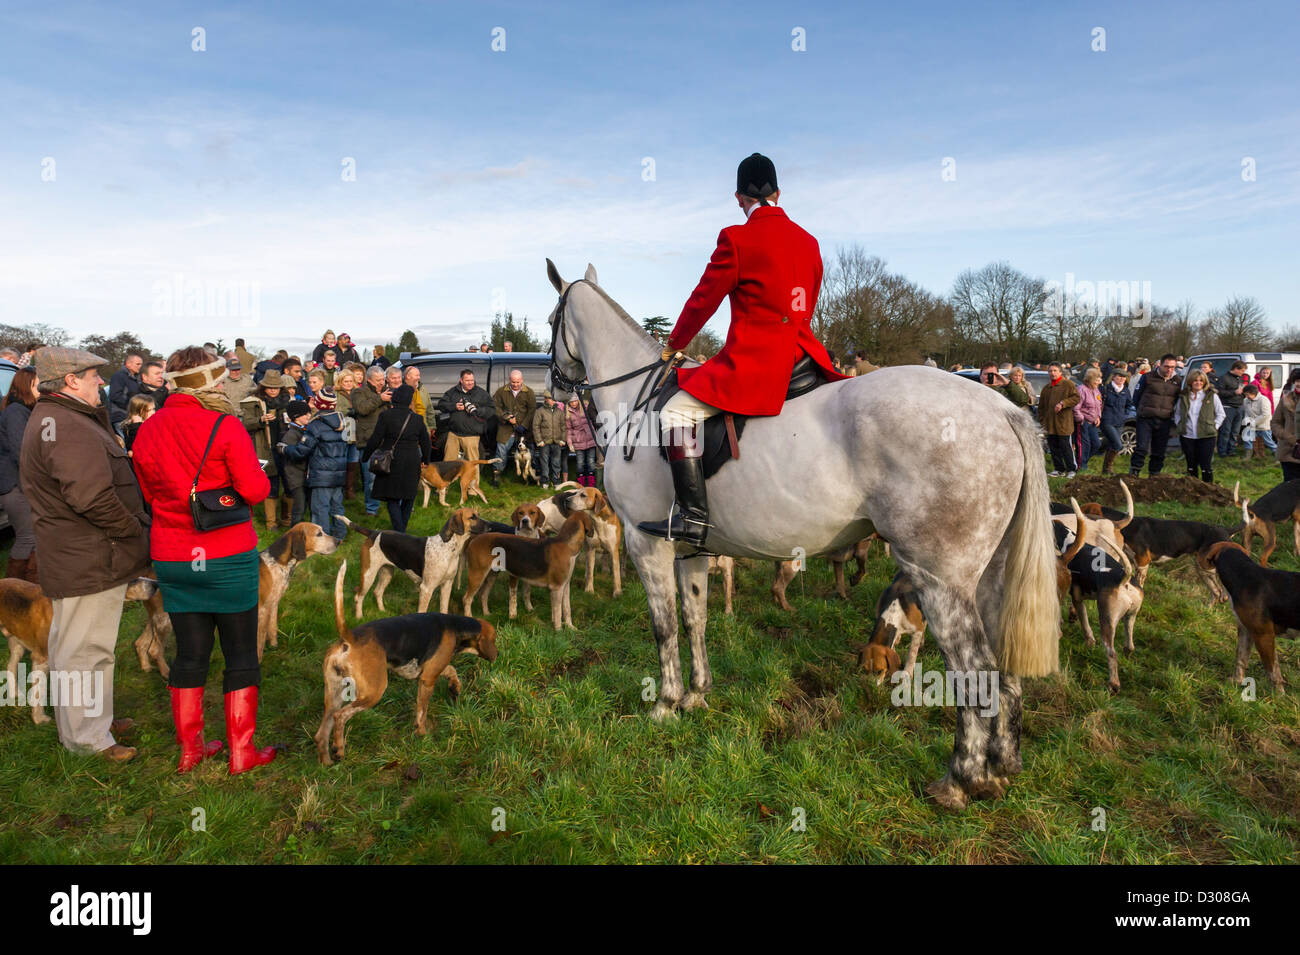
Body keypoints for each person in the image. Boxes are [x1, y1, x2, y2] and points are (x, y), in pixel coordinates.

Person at [638, 152, 847, 547]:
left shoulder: (736, 238)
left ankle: (694, 518)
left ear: (739, 199)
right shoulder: (809, 241)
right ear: (778, 193)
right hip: (804, 356)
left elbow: (704, 300)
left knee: (675, 411)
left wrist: (675, 344)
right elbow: (809, 299)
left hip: (758, 362)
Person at [132, 347, 277, 775]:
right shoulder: (225, 425)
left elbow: (148, 490)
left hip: (174, 556)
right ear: (208, 383)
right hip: (226, 553)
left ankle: (191, 750)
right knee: (240, 655)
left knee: (190, 654)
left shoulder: (147, 429)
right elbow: (255, 490)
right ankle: (241, 752)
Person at [20, 347, 150, 761]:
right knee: (85, 651)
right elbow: (92, 498)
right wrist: (133, 533)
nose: (101, 382)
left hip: (80, 555)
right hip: (88, 557)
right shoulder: (66, 425)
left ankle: (91, 720)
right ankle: (87, 741)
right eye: (94, 375)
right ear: (72, 380)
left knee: (75, 646)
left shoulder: (62, 419)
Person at [363, 384, 430, 532]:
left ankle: (399, 531)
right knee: (409, 496)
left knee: (392, 496)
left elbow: (375, 438)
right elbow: (426, 441)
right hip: (412, 460)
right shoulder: (417, 419)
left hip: (391, 460)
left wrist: (366, 456)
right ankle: (402, 531)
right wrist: (426, 459)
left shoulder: (386, 416)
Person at [283, 389, 348, 541]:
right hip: (339, 472)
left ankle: (322, 540)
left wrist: (285, 448)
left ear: (319, 404)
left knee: (320, 508)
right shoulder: (341, 422)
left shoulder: (316, 425)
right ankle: (339, 535)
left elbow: (302, 451)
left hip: (321, 473)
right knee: (337, 506)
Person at [0, 368, 40, 583]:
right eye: (38, 385)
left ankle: (28, 593)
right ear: (27, 385)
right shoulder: (16, 412)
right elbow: (21, 451)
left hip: (20, 484)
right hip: (15, 485)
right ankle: (11, 596)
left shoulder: (23, 411)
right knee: (28, 537)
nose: (41, 390)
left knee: (32, 538)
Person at [239, 368, 292, 528]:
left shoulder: (287, 401)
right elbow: (245, 423)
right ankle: (271, 522)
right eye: (270, 387)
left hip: (286, 447)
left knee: (290, 484)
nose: (273, 391)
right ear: (263, 388)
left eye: (276, 387)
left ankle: (286, 518)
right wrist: (261, 420)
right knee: (272, 485)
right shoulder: (253, 401)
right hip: (265, 448)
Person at [1129, 354, 1182, 477]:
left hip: (1164, 419)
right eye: (1166, 367)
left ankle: (1154, 474)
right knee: (1142, 447)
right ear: (1160, 365)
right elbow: (1136, 397)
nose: (1169, 370)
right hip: (1145, 418)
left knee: (1159, 450)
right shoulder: (1147, 377)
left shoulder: (1177, 381)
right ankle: (1135, 471)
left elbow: (1177, 400)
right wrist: (1142, 410)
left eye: (1172, 367)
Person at [1173, 369, 1225, 483]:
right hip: (1188, 436)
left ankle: (1208, 488)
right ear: (1190, 382)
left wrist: (1214, 426)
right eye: (1195, 380)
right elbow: (1177, 414)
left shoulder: (1211, 396)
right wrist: (1181, 425)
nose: (1198, 383)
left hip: (1206, 436)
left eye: (1201, 380)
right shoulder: (1183, 396)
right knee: (1191, 464)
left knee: (1205, 465)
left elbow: (1221, 414)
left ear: (1205, 382)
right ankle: (1193, 488)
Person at [351, 366, 389, 516]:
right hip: (368, 442)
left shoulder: (387, 390)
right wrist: (380, 399)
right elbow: (362, 408)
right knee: (371, 479)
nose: (381, 382)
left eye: (383, 379)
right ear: (369, 380)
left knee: (391, 476)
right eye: (378, 380)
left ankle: (392, 504)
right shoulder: (359, 392)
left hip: (387, 441)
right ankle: (371, 509)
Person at [491, 369, 535, 488]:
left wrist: (524, 425)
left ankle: (530, 477)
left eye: (517, 382)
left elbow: (531, 410)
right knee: (501, 452)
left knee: (528, 454)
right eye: (513, 382)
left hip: (523, 430)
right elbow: (495, 407)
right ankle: (497, 475)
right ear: (509, 380)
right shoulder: (501, 391)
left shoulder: (529, 392)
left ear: (522, 381)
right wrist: (506, 417)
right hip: (506, 428)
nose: (515, 384)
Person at [437, 368, 491, 463]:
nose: (470, 383)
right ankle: (448, 478)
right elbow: (441, 404)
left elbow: (491, 410)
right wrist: (455, 406)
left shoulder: (482, 394)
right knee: (447, 464)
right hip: (453, 434)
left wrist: (477, 409)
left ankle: (473, 478)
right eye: (467, 380)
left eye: (472, 380)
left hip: (472, 435)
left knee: (473, 464)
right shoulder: (452, 392)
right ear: (461, 380)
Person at [1038, 362, 1079, 477]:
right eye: (1050, 371)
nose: (1052, 373)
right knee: (1054, 447)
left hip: (1064, 423)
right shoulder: (1047, 388)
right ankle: (1059, 469)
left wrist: (1063, 403)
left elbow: (1076, 398)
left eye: (1055, 370)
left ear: (1060, 372)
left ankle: (1072, 469)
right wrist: (1043, 420)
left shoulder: (1068, 384)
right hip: (1050, 424)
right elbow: (1041, 407)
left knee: (1066, 447)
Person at [277, 399, 312, 526]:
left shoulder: (302, 430)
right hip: (296, 477)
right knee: (299, 508)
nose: (309, 415)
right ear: (296, 417)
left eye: (309, 412)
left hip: (302, 475)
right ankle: (295, 534)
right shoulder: (291, 434)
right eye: (305, 414)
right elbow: (294, 456)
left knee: (303, 506)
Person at [1098, 366, 1134, 474]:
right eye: (1119, 376)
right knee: (1118, 445)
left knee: (1112, 444)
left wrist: (1124, 415)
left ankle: (1106, 470)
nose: (1122, 378)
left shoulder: (1126, 391)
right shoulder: (1105, 389)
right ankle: (1098, 453)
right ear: (1113, 377)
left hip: (1119, 422)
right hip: (1107, 421)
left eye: (1124, 377)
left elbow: (1129, 404)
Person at [532, 390, 567, 489]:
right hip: (544, 442)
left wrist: (562, 440)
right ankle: (545, 481)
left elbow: (563, 427)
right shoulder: (540, 411)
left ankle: (556, 481)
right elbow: (536, 426)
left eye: (554, 399)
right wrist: (539, 441)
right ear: (546, 399)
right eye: (551, 399)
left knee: (556, 463)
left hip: (557, 442)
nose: (553, 401)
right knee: (544, 463)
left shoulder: (559, 412)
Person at [334, 368, 360, 499]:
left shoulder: (358, 393)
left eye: (351, 381)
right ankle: (339, 488)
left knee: (353, 461)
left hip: (357, 430)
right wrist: (349, 412)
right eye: (346, 381)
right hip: (344, 429)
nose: (349, 383)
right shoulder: (336, 394)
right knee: (342, 460)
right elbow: (336, 411)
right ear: (340, 382)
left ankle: (349, 488)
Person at [1215, 360, 1249, 458]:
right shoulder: (1223, 378)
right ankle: (1222, 452)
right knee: (1225, 431)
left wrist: (1244, 393)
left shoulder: (1240, 379)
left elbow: (1241, 391)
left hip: (1239, 407)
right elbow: (1219, 392)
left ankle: (1231, 451)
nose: (1243, 373)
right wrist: (1234, 392)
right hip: (1227, 407)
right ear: (1236, 369)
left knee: (1235, 431)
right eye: (1242, 371)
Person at [1272, 368, 1300, 482]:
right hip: (1289, 452)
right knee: (1289, 489)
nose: (1299, 383)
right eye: (1297, 380)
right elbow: (1275, 422)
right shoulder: (1285, 400)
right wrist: (1288, 436)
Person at [1073, 367, 1103, 471]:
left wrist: (1098, 416)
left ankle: (1082, 461)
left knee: (1096, 444)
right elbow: (1076, 407)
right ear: (1089, 379)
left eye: (1098, 380)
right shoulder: (1081, 390)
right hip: (1083, 422)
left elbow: (1099, 404)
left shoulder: (1096, 390)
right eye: (1096, 380)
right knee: (1084, 445)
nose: (1098, 382)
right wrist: (1081, 419)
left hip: (1093, 422)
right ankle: (1081, 466)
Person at [567, 396, 598, 487]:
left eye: (575, 401)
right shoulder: (568, 413)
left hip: (590, 438)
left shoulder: (586, 407)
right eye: (571, 402)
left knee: (591, 461)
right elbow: (568, 429)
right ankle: (582, 484)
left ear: (578, 400)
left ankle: (591, 484)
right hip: (578, 440)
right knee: (580, 463)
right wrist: (570, 443)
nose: (573, 403)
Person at [107, 353, 143, 433]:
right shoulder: (119, 376)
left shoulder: (137, 378)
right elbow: (115, 396)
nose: (140, 366)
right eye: (137, 364)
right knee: (126, 443)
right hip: (121, 416)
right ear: (128, 364)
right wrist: (132, 407)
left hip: (132, 416)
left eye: (141, 364)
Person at [1242, 384, 1277, 459]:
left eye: (1247, 395)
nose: (1246, 397)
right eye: (1245, 395)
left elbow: (1265, 415)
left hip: (1263, 426)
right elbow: (1246, 412)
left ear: (1253, 393)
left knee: (1268, 442)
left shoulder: (1264, 400)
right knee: (1247, 438)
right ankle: (1248, 455)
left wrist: (1253, 423)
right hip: (1251, 425)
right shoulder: (1245, 400)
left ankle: (1278, 455)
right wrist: (1246, 421)